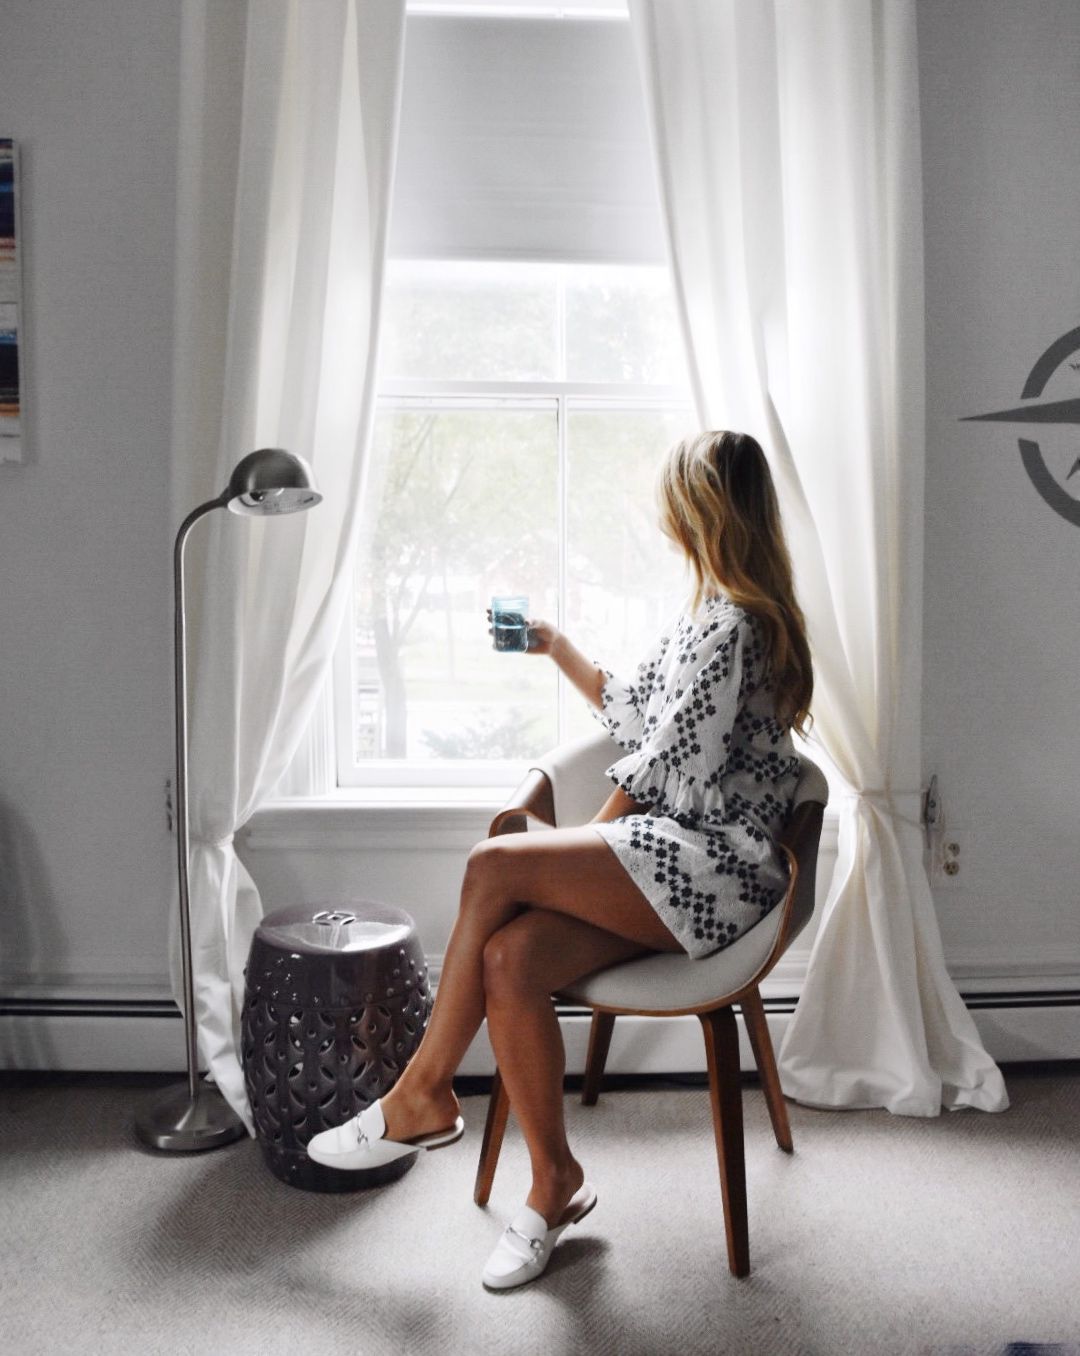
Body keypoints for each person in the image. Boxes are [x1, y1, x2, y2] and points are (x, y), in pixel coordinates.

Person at [307, 429, 814, 1290]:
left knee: (495, 864)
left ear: (703, 511)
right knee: (512, 956)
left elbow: (664, 772)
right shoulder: (708, 616)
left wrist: (573, 846)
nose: (664, 516)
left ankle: (420, 1095)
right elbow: (636, 714)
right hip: (679, 862)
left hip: (721, 869)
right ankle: (554, 1184)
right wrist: (554, 645)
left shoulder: (737, 627)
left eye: (675, 501)